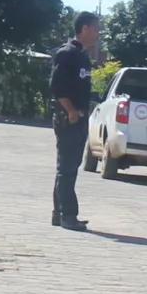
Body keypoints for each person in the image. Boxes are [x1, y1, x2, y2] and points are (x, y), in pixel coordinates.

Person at [48, 12, 99, 230]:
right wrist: (69, 110)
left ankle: (59, 214)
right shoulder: (67, 53)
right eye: (96, 29)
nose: (98, 34)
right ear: (85, 29)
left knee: (69, 167)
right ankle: (68, 215)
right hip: (68, 118)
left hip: (79, 118)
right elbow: (57, 86)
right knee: (67, 168)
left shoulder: (82, 56)